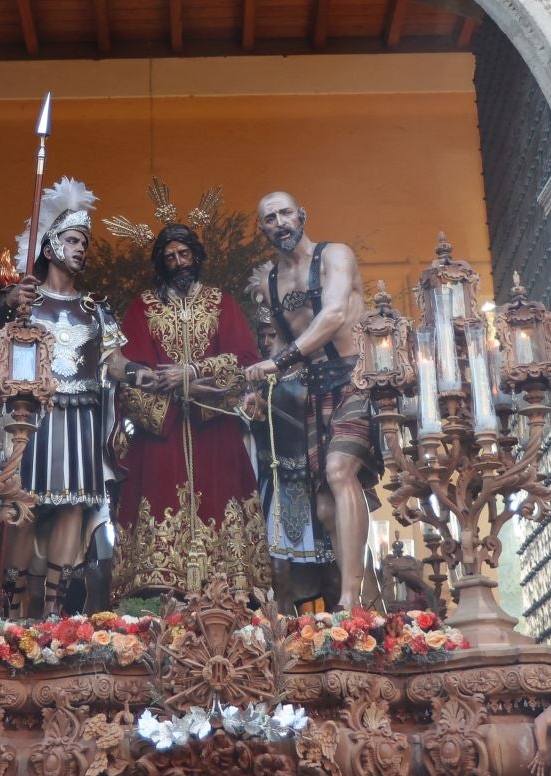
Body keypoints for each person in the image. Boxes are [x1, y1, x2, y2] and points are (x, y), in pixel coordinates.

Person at [0, 177, 126, 616]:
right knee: (24, 504)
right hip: (32, 417)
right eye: (71, 240)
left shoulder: (96, 309)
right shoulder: (22, 303)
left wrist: (149, 376)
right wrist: (5, 303)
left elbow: (115, 363)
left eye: (84, 241)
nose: (81, 248)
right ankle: (12, 609)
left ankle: (53, 613)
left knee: (73, 506)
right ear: (48, 248)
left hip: (82, 417)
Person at [106, 215, 265, 598]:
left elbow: (245, 360)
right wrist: (163, 385)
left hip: (215, 428)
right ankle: (156, 599)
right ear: (161, 263)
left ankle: (230, 597)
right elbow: (127, 367)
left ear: (196, 256)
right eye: (170, 256)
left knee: (222, 498)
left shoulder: (221, 302)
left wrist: (192, 375)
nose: (178, 262)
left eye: (184, 253)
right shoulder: (143, 306)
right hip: (163, 432)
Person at [243, 190, 373, 609]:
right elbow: (281, 339)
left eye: (285, 213)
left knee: (339, 472)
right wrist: (257, 390)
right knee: (324, 507)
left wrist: (277, 362)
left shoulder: (335, 255)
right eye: (269, 217)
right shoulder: (269, 283)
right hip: (314, 389)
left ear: (302, 215)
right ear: (261, 229)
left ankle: (349, 602)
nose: (279, 222)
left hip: (357, 377)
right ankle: (366, 598)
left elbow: (333, 315)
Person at [247, 309, 337, 609]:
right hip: (274, 482)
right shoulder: (257, 381)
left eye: (272, 335)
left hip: (312, 481)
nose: (265, 341)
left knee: (331, 573)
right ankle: (283, 640)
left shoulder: (313, 374)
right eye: (261, 335)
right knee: (277, 572)